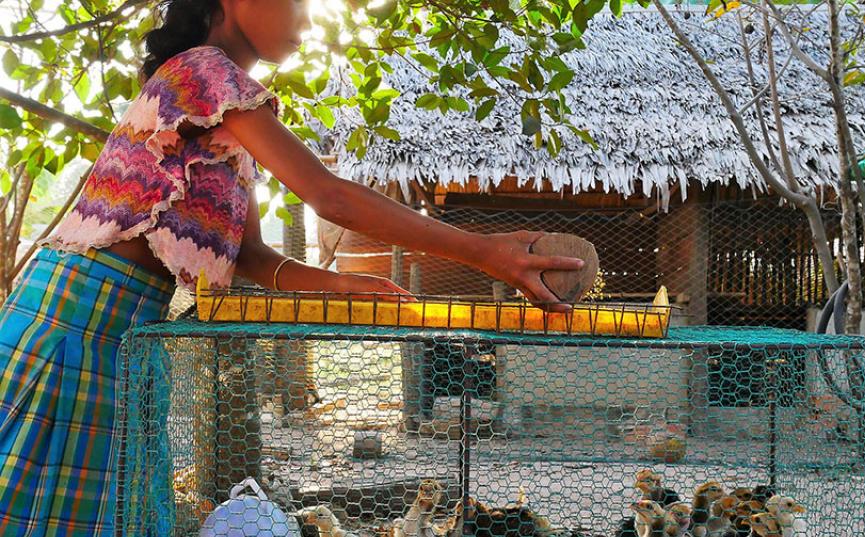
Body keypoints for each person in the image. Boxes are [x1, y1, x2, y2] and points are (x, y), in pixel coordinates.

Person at [0, 0, 584, 534]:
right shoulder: (203, 72)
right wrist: (487, 252)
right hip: (76, 322)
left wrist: (340, 285)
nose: (308, 15)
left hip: (126, 330)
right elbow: (329, 197)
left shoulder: (228, 111)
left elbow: (251, 256)